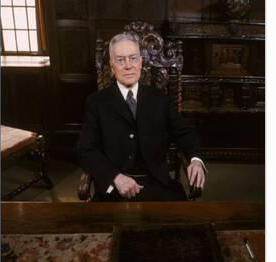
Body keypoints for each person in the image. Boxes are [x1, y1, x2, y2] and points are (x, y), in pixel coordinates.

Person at [76, 32, 206, 201]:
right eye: (121, 60)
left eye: (133, 58)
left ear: (141, 62)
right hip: (115, 188)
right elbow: (85, 149)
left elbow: (185, 132)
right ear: (112, 65)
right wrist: (115, 177)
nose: (128, 65)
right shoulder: (96, 102)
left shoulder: (159, 99)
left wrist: (195, 160)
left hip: (157, 185)